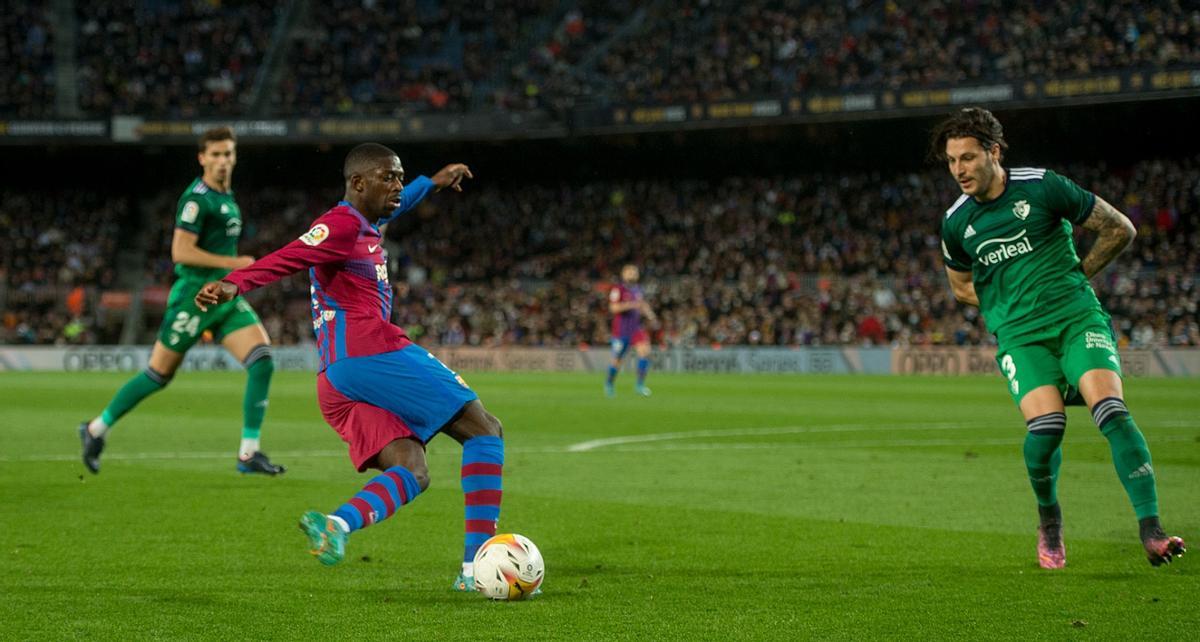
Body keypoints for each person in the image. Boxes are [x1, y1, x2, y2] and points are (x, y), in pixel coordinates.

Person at [195, 143, 503, 592]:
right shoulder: (339, 224)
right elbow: (292, 254)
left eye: (400, 177)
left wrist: (429, 183)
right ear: (358, 183)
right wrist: (233, 284)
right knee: (485, 430)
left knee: (412, 468)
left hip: (336, 380)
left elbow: (398, 205)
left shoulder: (367, 221)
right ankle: (478, 568)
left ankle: (336, 525)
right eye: (388, 177)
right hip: (371, 352)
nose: (397, 185)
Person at [933, 107, 1185, 568]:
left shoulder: (1042, 185)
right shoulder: (956, 222)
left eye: (967, 158)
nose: (959, 170)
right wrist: (1005, 309)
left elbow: (1119, 228)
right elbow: (961, 287)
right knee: (1047, 428)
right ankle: (1049, 519)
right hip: (1021, 337)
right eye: (951, 161)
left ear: (994, 152)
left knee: (1111, 410)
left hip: (1076, 320)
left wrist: (1078, 277)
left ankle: (1152, 530)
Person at [79, 126, 284, 475]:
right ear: (202, 158)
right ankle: (96, 429)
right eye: (216, 155)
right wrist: (235, 264)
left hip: (224, 297)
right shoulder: (196, 199)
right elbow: (181, 251)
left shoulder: (227, 197)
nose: (222, 161)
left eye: (228, 154)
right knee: (158, 375)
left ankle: (249, 454)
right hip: (194, 298)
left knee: (262, 360)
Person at [605, 264, 656, 397]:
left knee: (645, 352)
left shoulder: (638, 289)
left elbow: (642, 304)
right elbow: (613, 308)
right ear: (623, 274)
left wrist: (650, 315)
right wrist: (631, 304)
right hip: (621, 330)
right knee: (618, 360)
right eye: (630, 272)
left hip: (636, 329)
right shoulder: (618, 289)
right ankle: (609, 384)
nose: (632, 274)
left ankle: (639, 385)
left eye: (635, 272)